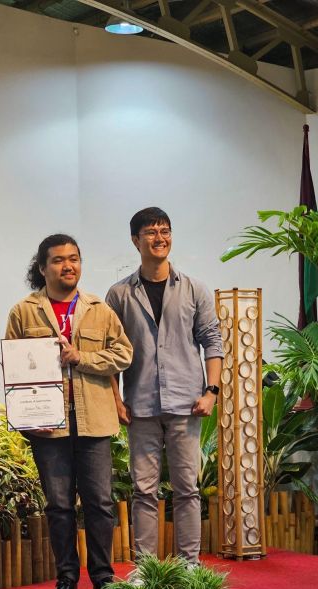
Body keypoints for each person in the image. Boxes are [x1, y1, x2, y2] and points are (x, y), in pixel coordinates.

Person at [5, 234, 133, 589]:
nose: (68, 266)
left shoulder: (98, 308)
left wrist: (83, 358)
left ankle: (104, 580)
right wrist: (25, 420)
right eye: (59, 260)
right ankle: (66, 581)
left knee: (99, 505)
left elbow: (124, 354)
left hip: (95, 422)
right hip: (48, 428)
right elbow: (13, 371)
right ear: (42, 267)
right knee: (59, 506)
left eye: (74, 258)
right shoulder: (23, 311)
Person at [106, 207, 223, 566]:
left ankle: (190, 564)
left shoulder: (194, 289)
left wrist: (211, 391)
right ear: (135, 240)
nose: (160, 238)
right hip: (139, 406)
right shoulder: (119, 294)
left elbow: (213, 341)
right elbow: (109, 349)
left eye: (165, 231)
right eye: (152, 232)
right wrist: (115, 399)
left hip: (187, 403)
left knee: (188, 489)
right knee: (143, 490)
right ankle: (146, 567)